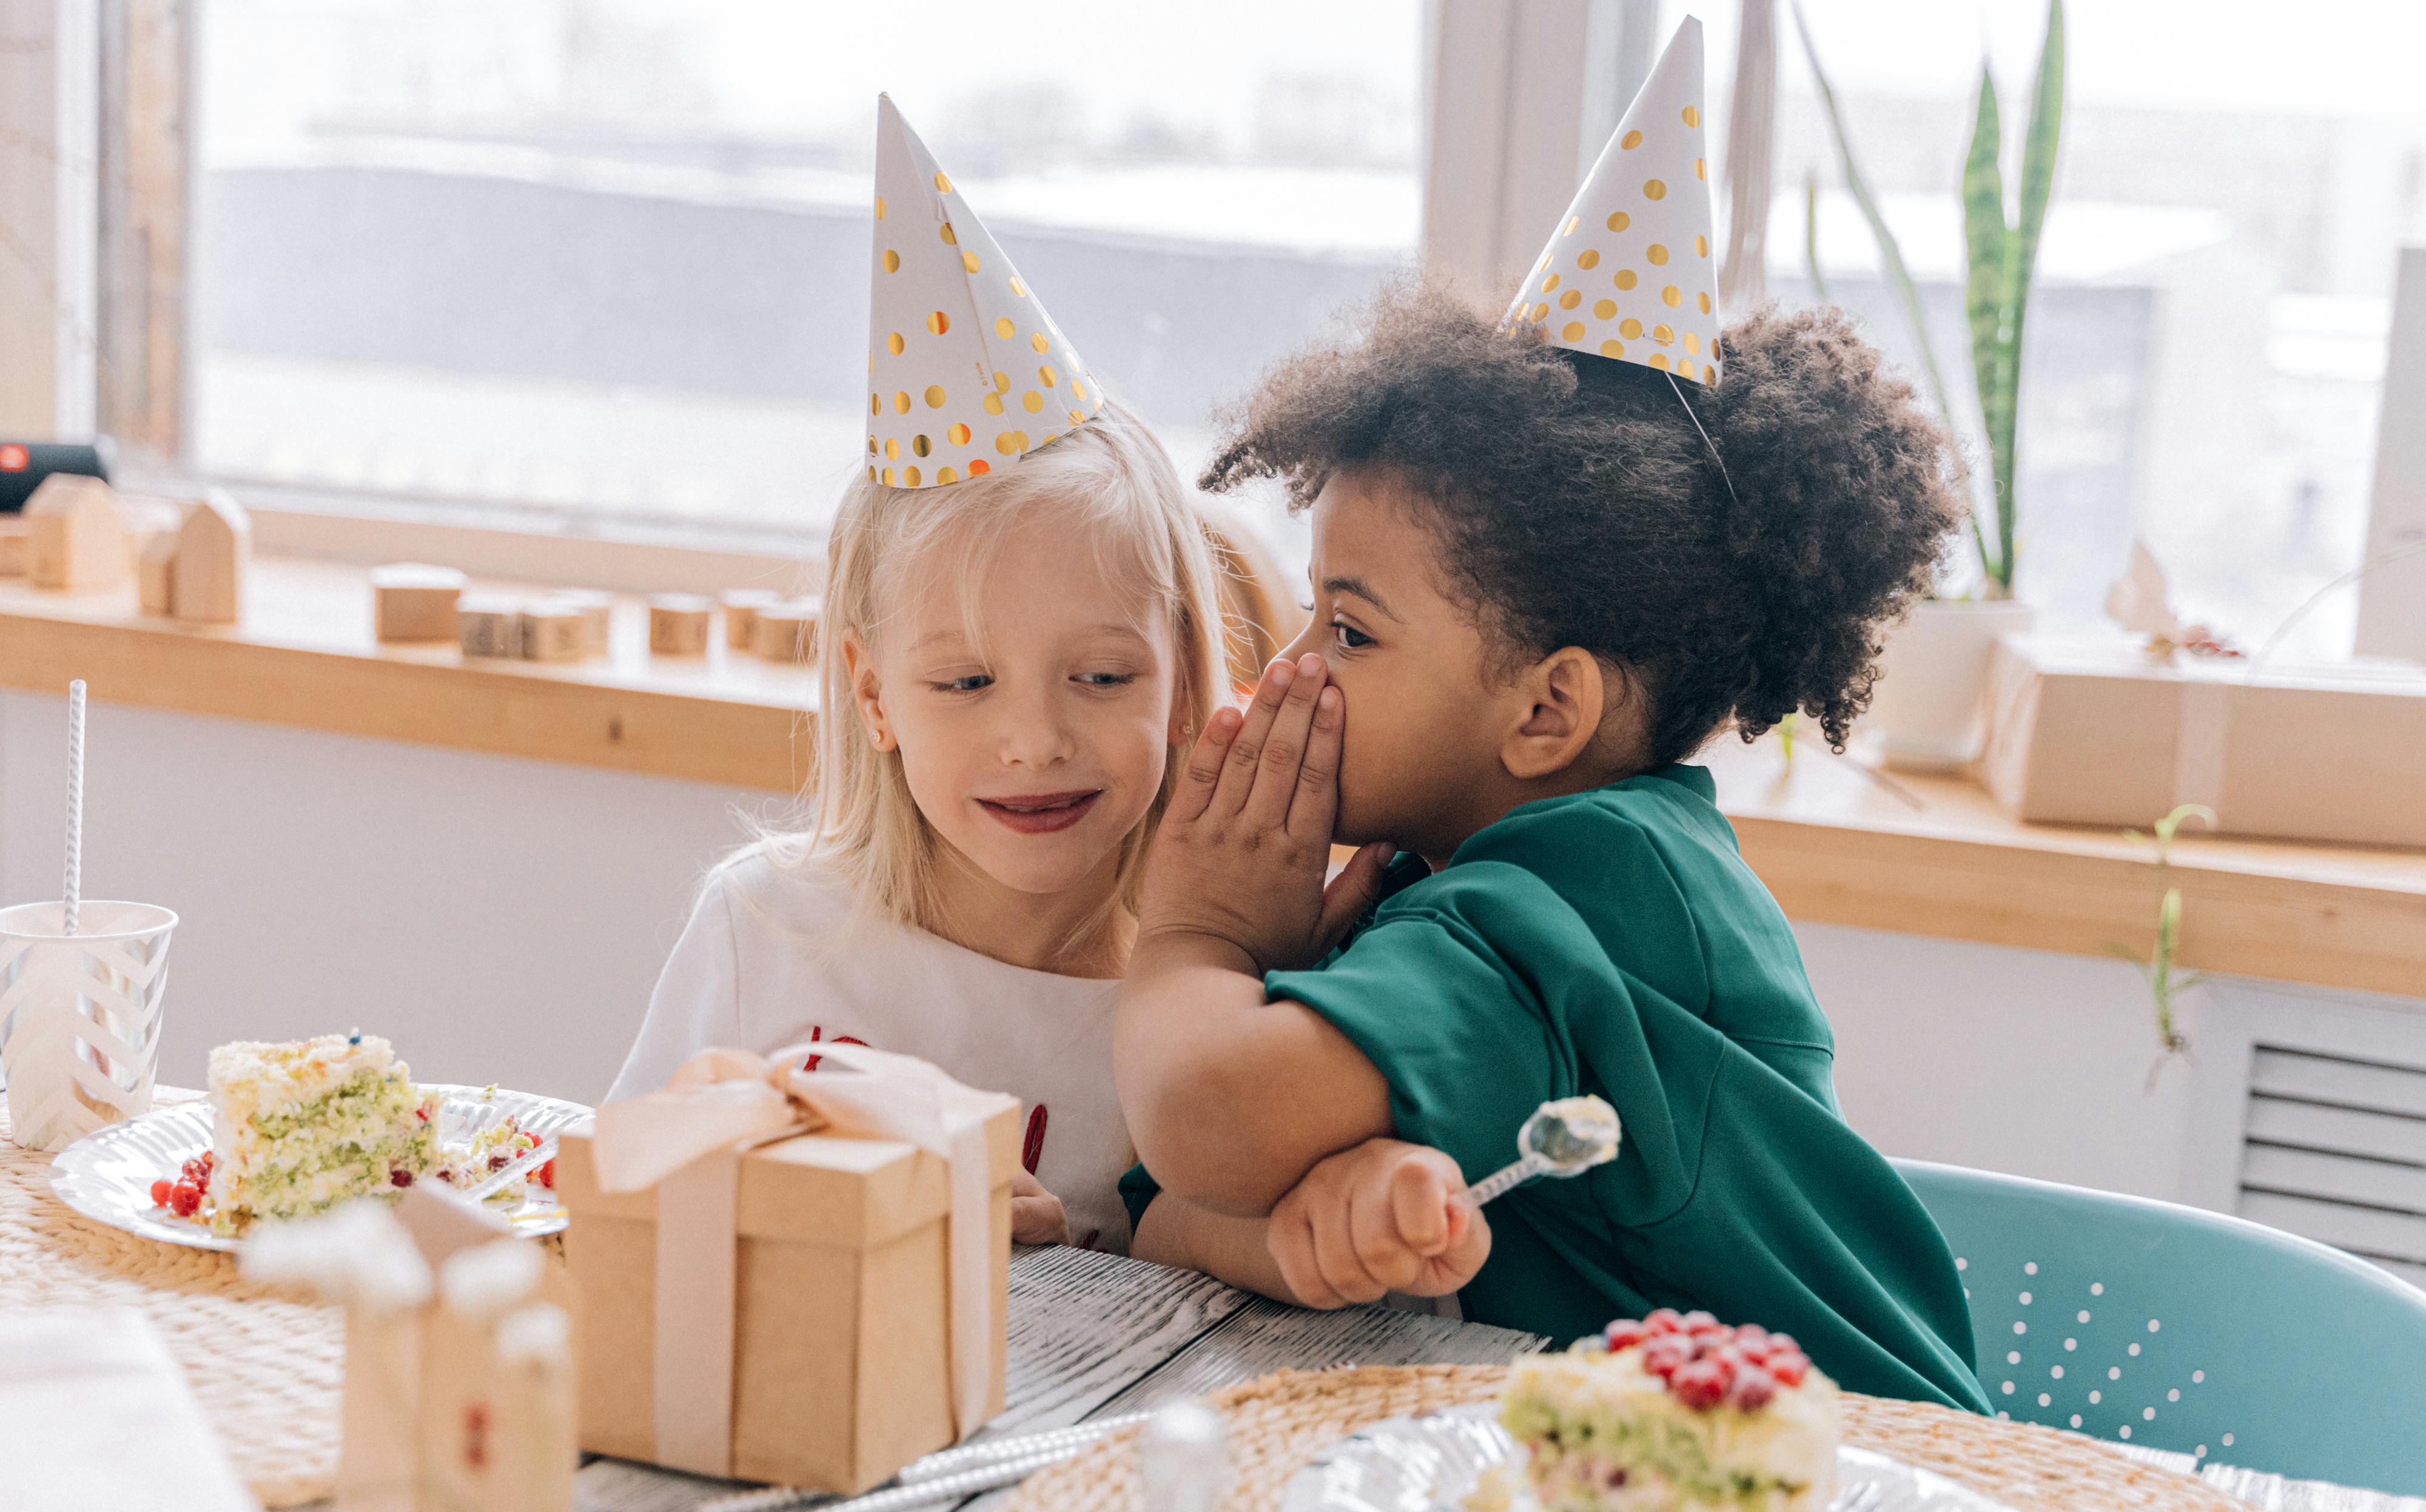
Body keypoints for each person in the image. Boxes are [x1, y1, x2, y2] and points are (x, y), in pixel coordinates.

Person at [1110, 25, 1988, 1408]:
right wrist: (1299, 1217)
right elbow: (1161, 1201)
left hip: (1848, 1493)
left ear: (1545, 707)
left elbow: (1207, 1117)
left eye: (1348, 628)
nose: (1291, 669)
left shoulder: (1583, 893)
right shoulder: (1454, 878)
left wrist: (1197, 934)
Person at [608, 95, 1243, 1255]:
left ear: (1186, 689)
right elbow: (618, 1209)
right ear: (872, 696)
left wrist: (1070, 1266)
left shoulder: (1213, 999)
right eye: (964, 685)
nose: (1036, 740)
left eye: (1103, 677)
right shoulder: (767, 931)